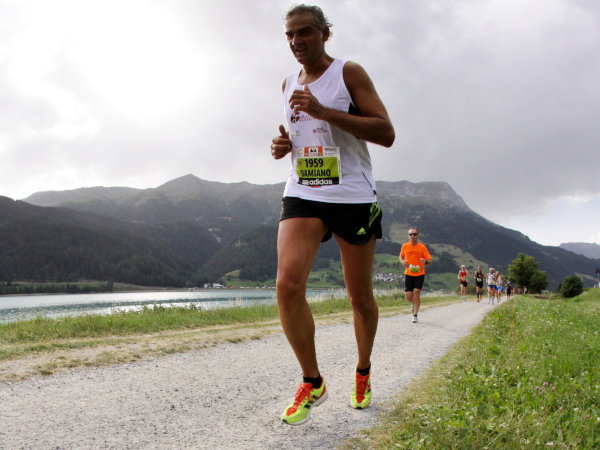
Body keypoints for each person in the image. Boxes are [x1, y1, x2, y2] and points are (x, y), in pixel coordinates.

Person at [270, 4, 395, 426]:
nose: (296, 41)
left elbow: (386, 132)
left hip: (352, 195)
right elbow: (304, 134)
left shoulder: (348, 73)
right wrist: (284, 146)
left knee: (359, 297)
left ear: (326, 33)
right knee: (287, 286)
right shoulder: (287, 83)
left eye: (305, 31)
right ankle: (312, 380)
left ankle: (363, 371)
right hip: (304, 189)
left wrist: (325, 111)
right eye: (290, 34)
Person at [400, 228, 433, 323]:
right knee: (408, 297)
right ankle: (414, 304)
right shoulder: (405, 246)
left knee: (416, 293)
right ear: (408, 236)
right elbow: (401, 256)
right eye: (410, 234)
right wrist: (402, 262)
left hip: (419, 274)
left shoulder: (422, 247)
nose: (412, 236)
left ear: (418, 235)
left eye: (414, 234)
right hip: (408, 273)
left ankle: (415, 315)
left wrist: (425, 261)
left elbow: (430, 261)